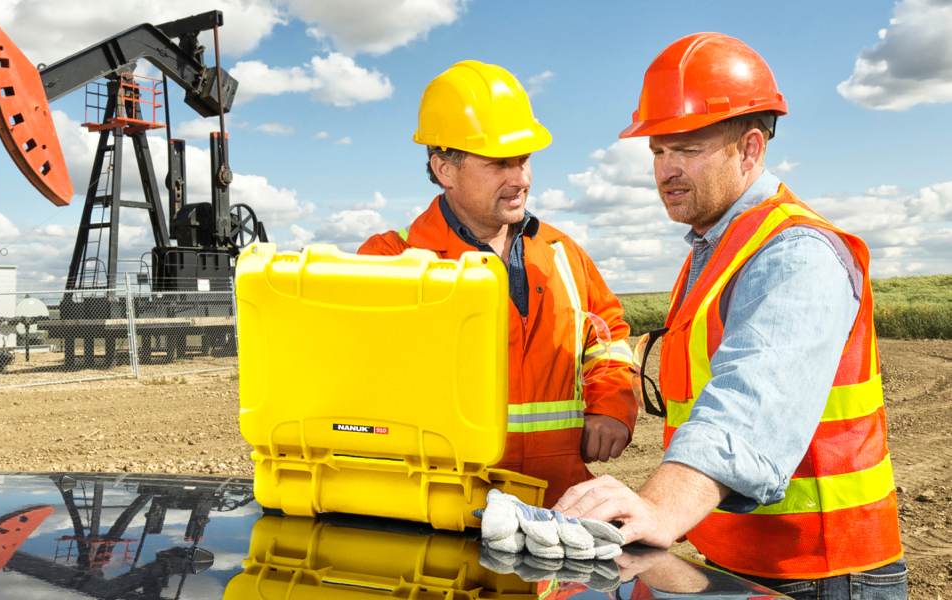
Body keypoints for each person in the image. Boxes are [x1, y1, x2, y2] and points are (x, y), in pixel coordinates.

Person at [553, 33, 906, 599]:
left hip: (823, 575)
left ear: (749, 149)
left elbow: (752, 399)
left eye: (687, 149)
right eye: (657, 151)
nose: (666, 169)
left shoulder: (795, 252)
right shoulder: (714, 251)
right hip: (739, 562)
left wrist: (661, 508)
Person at [359, 61, 638, 507]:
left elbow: (609, 338)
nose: (521, 179)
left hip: (559, 508)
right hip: (448, 515)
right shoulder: (390, 262)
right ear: (445, 169)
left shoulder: (562, 252)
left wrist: (611, 405)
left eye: (524, 160)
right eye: (500, 164)